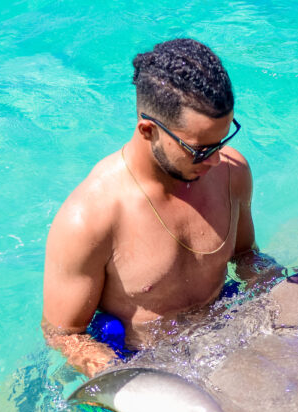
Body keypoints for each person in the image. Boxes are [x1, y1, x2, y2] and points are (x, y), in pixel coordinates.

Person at [43, 38, 276, 377]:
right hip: (140, 360)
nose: (215, 160)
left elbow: (246, 257)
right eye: (200, 149)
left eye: (223, 141)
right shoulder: (90, 218)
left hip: (224, 335)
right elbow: (64, 334)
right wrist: (121, 375)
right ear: (148, 130)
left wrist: (283, 290)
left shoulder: (231, 173)